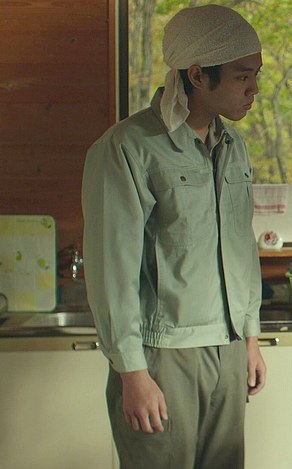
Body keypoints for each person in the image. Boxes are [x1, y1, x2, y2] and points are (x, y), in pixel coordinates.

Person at [81, 5, 266, 468]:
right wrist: (132, 371)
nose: (254, 89)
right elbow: (112, 267)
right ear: (199, 75)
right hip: (161, 356)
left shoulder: (233, 146)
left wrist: (249, 337)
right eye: (243, 76)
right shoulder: (127, 148)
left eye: (256, 75)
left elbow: (242, 248)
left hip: (228, 348)